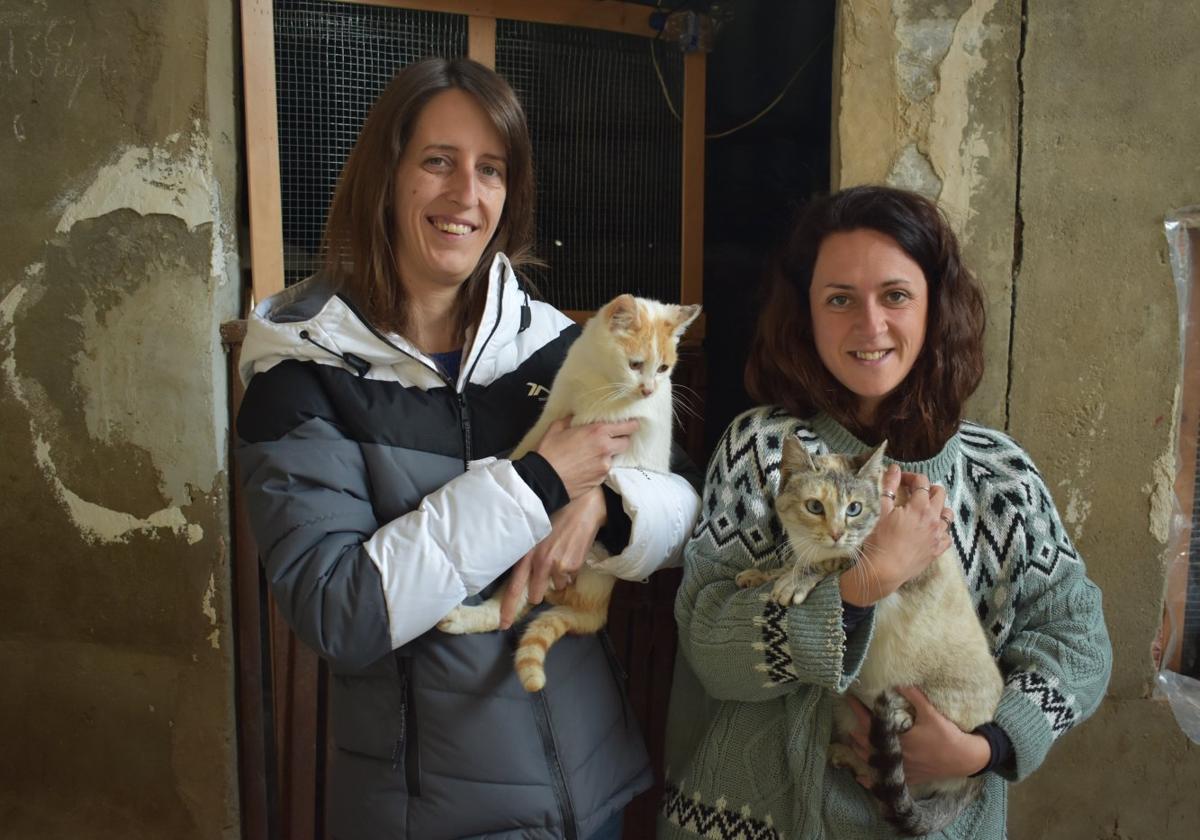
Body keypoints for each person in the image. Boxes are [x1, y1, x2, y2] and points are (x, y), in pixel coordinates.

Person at [235, 57, 701, 840]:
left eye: (491, 170)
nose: (466, 196)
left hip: (593, 795)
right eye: (438, 163)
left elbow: (687, 507)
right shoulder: (304, 375)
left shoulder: (554, 346)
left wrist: (606, 506)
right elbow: (337, 608)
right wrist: (539, 484)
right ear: (386, 175)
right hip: (434, 815)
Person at [658, 185, 1112, 839]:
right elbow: (710, 645)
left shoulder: (999, 476)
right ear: (806, 313)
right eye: (839, 299)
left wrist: (984, 748)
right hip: (750, 821)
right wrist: (860, 588)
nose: (869, 326)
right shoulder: (764, 450)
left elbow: (1079, 640)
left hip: (942, 824)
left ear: (934, 306)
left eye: (894, 296)